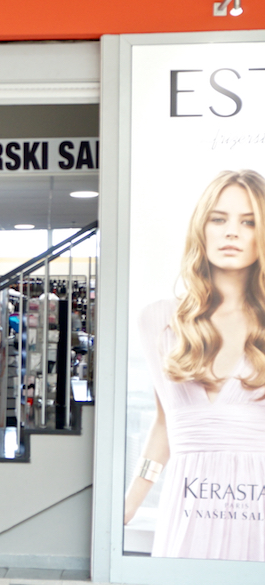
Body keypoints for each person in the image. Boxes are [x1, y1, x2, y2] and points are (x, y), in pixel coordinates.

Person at [124, 169, 265, 561]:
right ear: (201, 229)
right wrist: (128, 504)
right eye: (218, 219)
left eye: (248, 221)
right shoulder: (159, 320)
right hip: (187, 508)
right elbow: (166, 423)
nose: (231, 232)